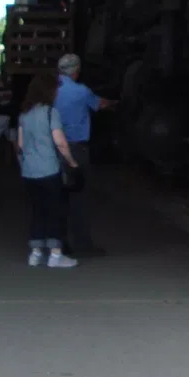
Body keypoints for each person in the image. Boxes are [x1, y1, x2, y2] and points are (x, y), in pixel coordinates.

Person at [54, 53, 116, 256]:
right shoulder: (81, 91)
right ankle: (82, 244)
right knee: (78, 197)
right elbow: (99, 104)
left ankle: (59, 243)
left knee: (57, 196)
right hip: (76, 148)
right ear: (77, 71)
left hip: (53, 148)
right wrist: (114, 102)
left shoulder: (51, 90)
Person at [15, 75, 79, 268]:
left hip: (29, 172)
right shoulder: (51, 113)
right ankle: (56, 255)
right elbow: (60, 142)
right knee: (55, 211)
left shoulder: (24, 115)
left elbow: (19, 145)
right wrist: (72, 162)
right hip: (49, 170)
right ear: (49, 92)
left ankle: (35, 254)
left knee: (37, 211)